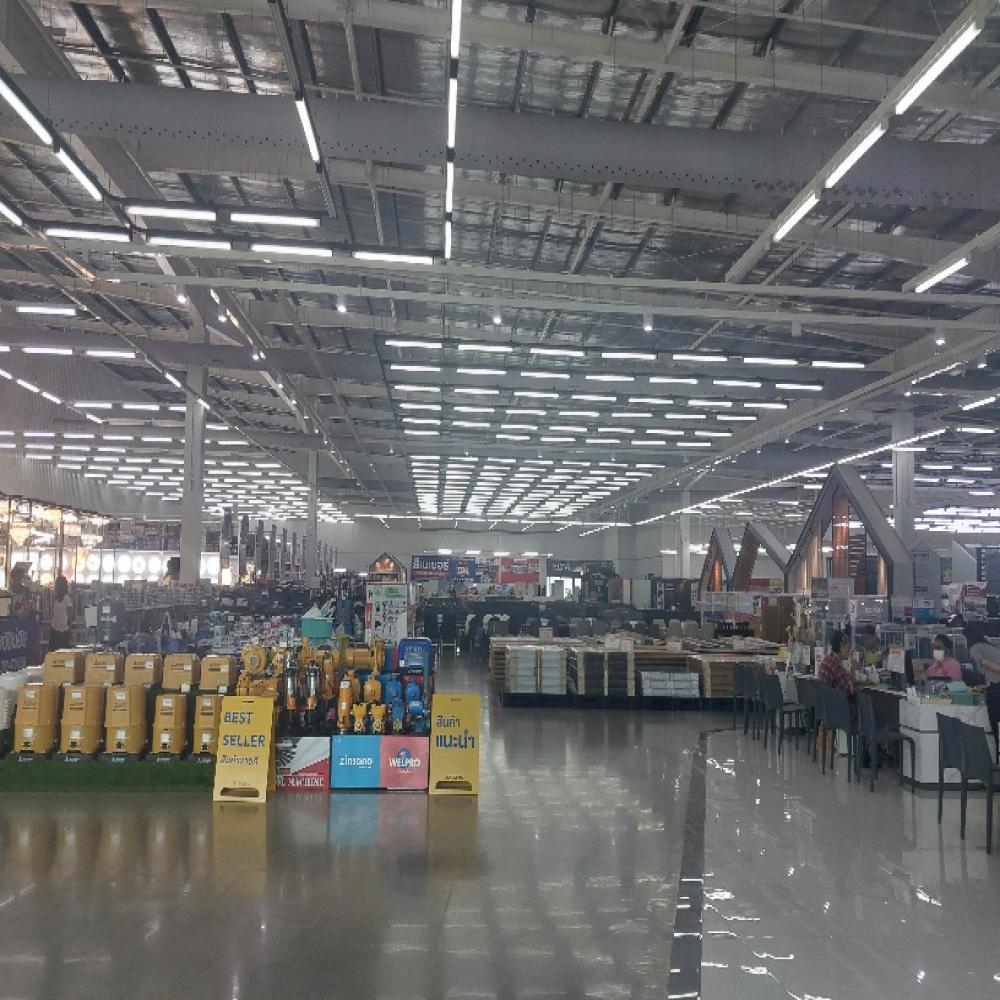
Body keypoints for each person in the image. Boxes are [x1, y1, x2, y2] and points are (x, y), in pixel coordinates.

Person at [818, 630, 855, 697]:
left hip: (825, 700)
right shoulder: (836, 665)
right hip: (836, 702)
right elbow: (849, 691)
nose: (849, 651)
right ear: (842, 647)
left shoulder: (827, 659)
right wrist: (853, 668)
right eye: (848, 647)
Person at [48, 574, 73, 650]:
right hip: (54, 630)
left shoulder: (67, 598)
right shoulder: (55, 599)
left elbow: (70, 615)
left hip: (63, 631)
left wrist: (68, 628)